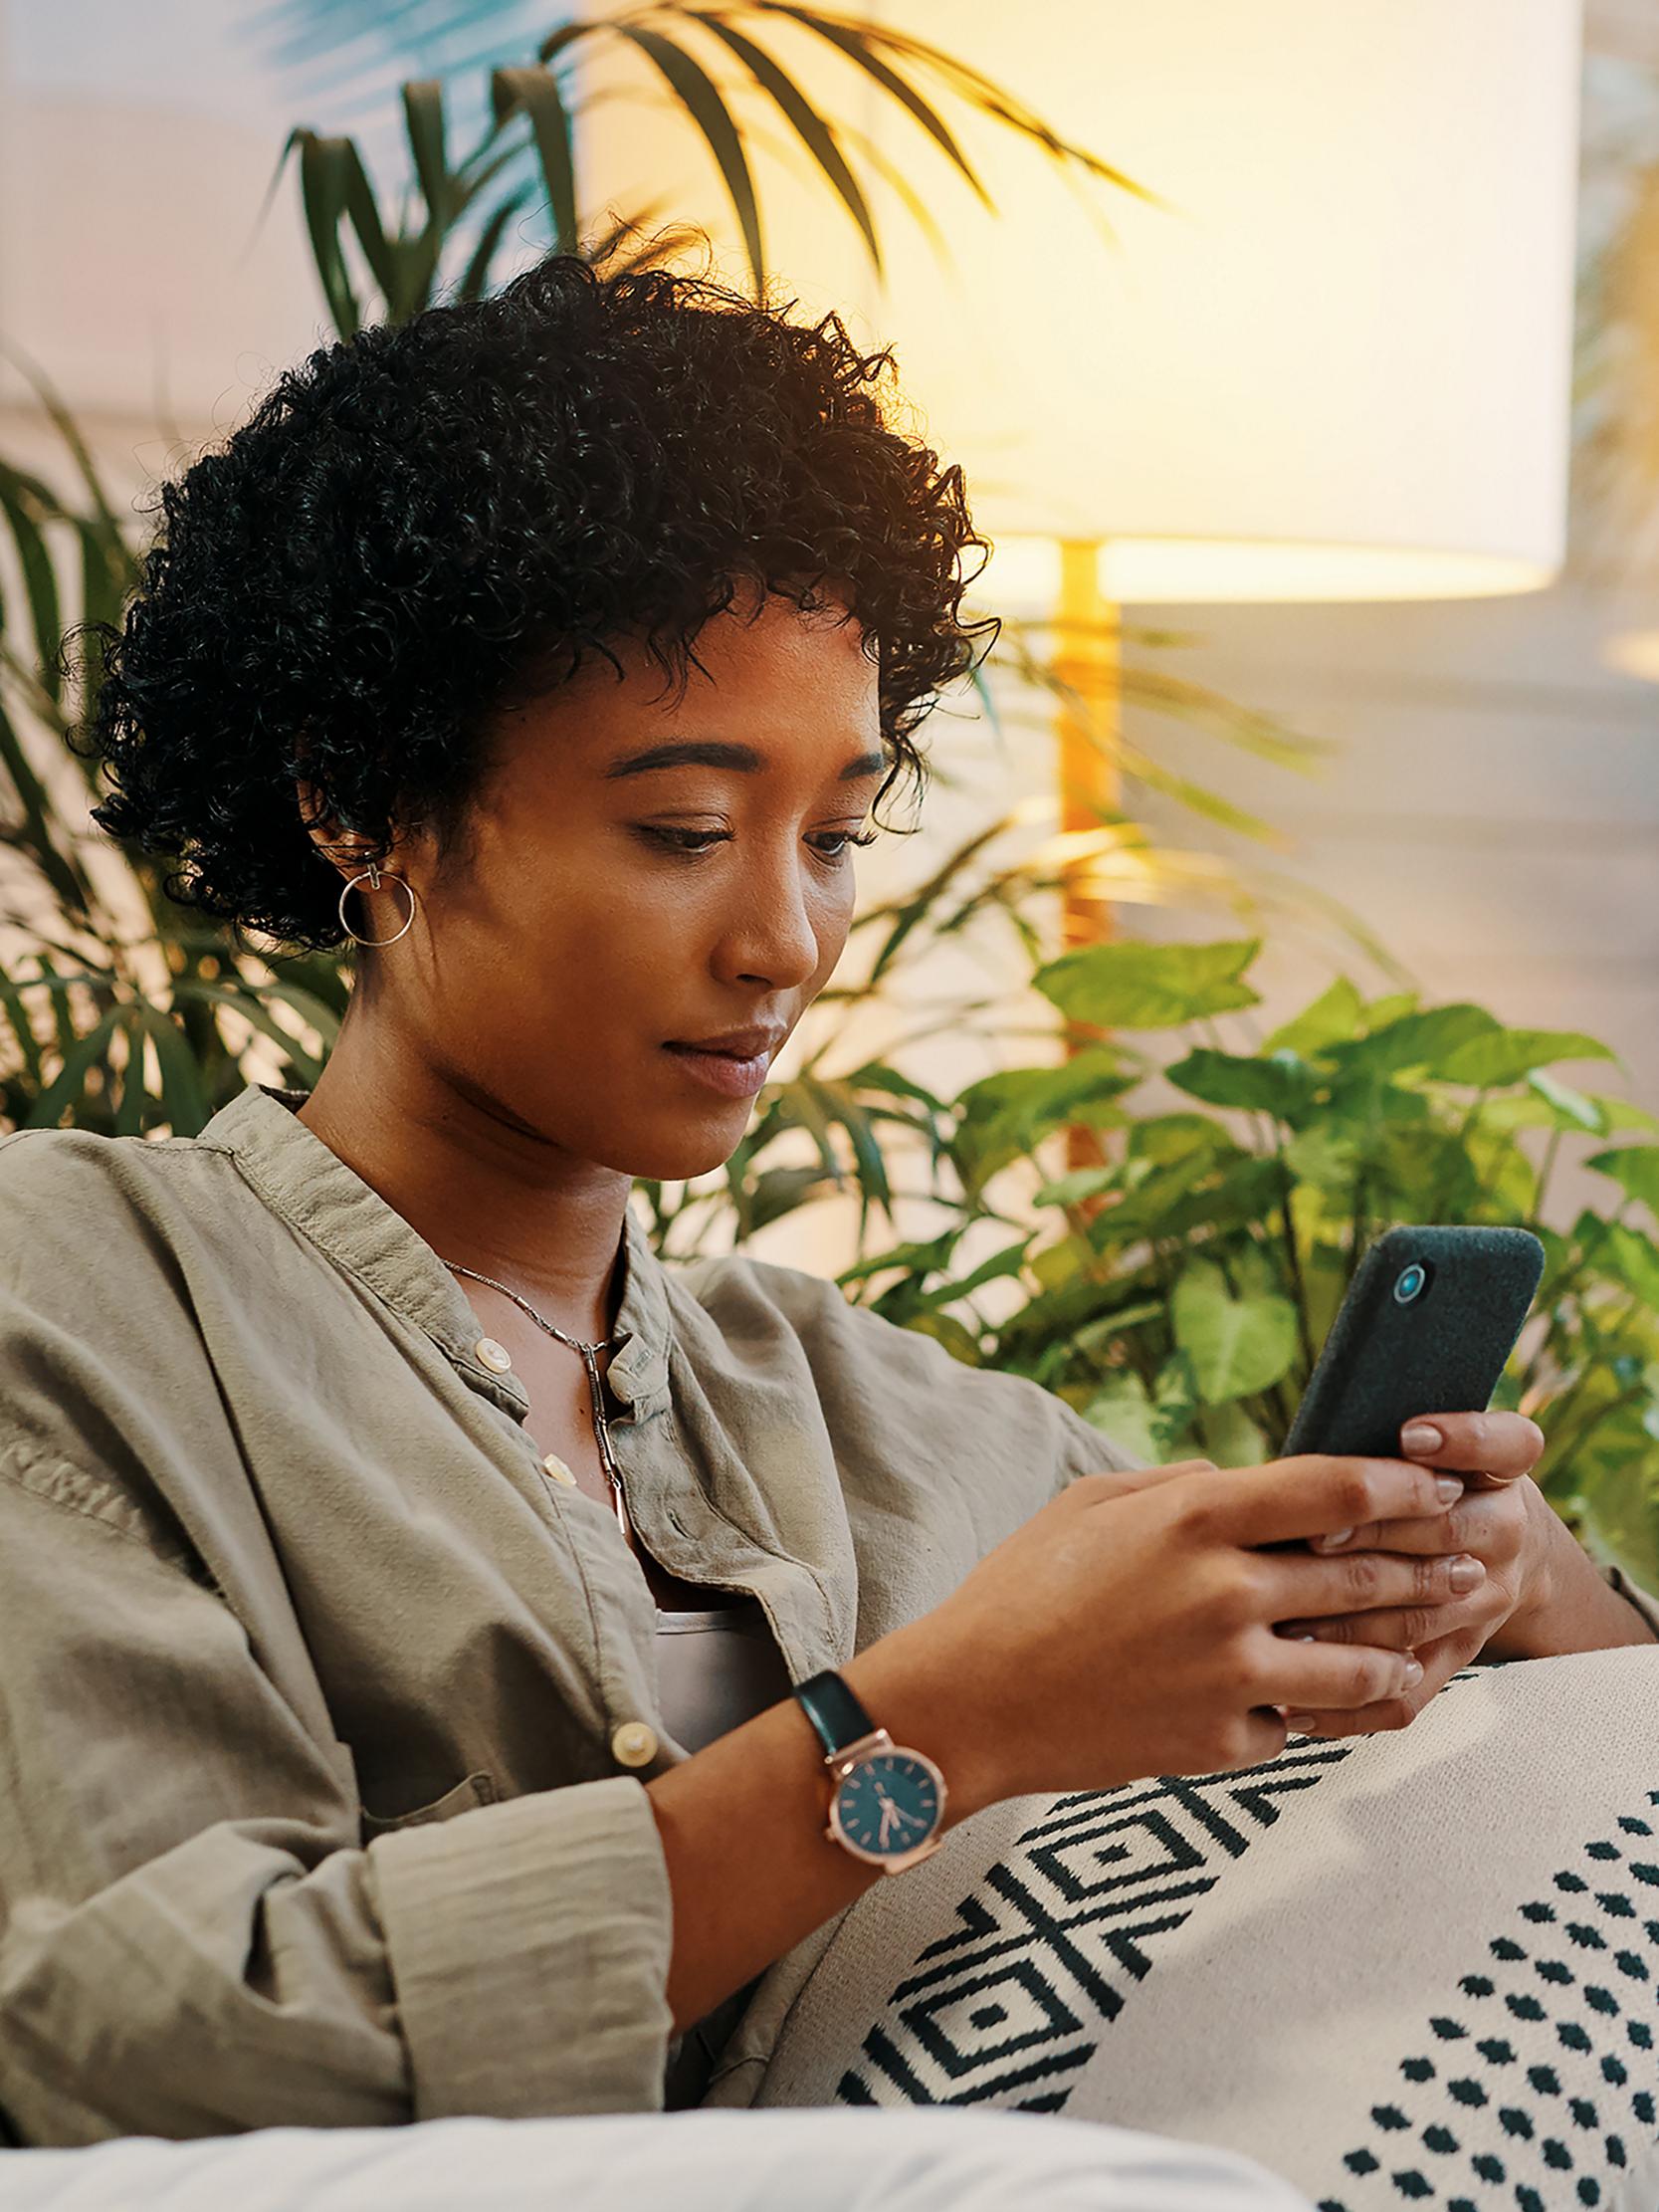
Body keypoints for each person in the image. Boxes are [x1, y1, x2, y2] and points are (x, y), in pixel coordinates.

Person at [0, 251, 1653, 2204]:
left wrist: (1501, 1562)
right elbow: (160, 2039)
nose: (787, 941)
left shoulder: (889, 1412)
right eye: (685, 832)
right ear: (366, 811)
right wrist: (926, 1735)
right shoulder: (82, 1304)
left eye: (841, 831)